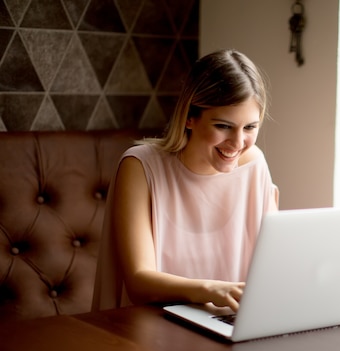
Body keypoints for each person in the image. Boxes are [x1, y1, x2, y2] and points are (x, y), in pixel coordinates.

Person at [92, 49, 279, 313]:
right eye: (223, 126)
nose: (238, 143)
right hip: (151, 326)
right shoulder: (140, 166)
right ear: (189, 117)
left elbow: (274, 267)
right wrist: (211, 290)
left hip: (225, 325)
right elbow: (138, 281)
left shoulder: (254, 165)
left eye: (250, 127)